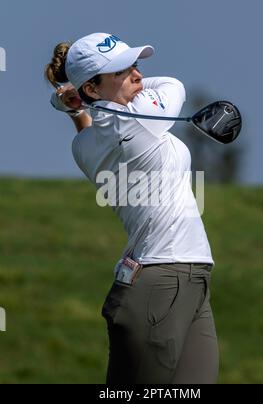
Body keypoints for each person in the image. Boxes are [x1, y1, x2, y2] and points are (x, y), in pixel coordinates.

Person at [45, 32, 219, 384]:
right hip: (161, 278)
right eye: (121, 71)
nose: (138, 75)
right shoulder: (137, 119)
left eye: (135, 65)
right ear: (92, 89)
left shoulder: (84, 145)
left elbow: (89, 126)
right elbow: (173, 84)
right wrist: (76, 99)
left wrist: (76, 103)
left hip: (186, 276)